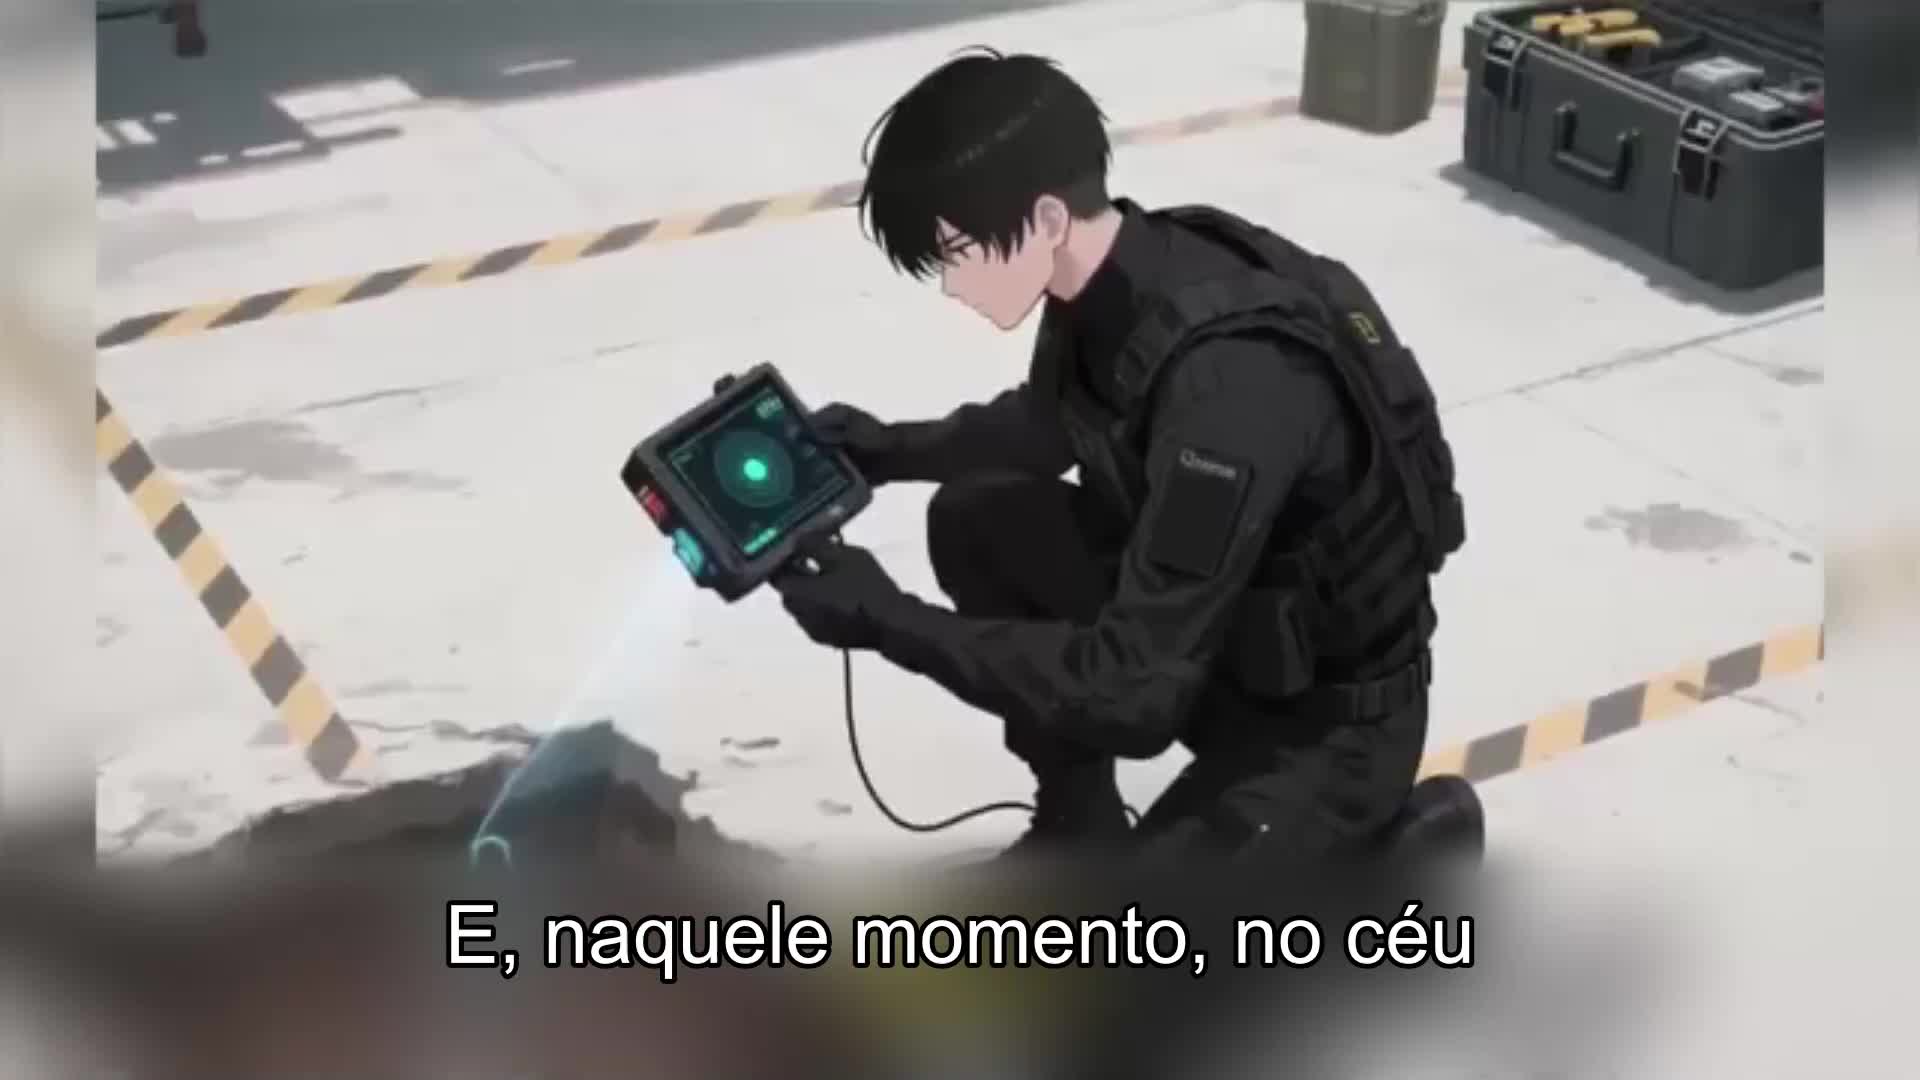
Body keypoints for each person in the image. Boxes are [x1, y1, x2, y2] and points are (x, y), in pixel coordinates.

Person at [770, 48, 1467, 865]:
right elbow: (1042, 428)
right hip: (1225, 640)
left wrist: (887, 620)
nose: (952, 282)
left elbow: (1131, 693)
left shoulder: (1230, 388)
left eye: (956, 252)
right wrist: (881, 449)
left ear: (1045, 220)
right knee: (975, 520)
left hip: (1324, 726)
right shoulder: (1117, 277)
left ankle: (1395, 857)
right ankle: (1080, 824)